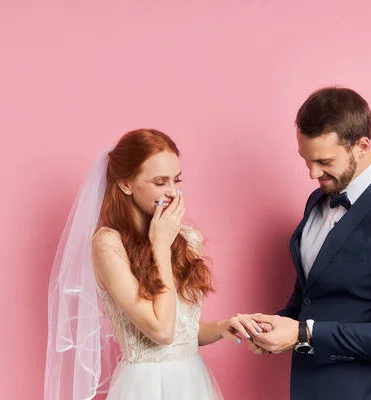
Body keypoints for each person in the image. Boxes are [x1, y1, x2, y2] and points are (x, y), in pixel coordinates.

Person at [247, 87, 371, 400]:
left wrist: (302, 334)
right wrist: (276, 325)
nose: (312, 173)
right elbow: (311, 292)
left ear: (362, 146)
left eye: (324, 161)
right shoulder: (316, 200)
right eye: (306, 160)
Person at [44, 129, 240, 400]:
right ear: (126, 184)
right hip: (145, 386)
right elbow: (161, 331)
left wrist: (221, 327)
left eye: (176, 180)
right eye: (160, 182)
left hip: (193, 382)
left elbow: (181, 331)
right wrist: (160, 245)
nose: (172, 192)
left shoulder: (186, 238)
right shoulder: (108, 244)